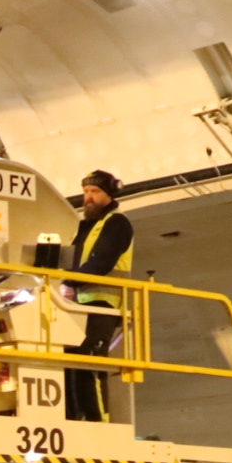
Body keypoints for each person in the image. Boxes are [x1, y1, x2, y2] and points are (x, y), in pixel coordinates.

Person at [58, 169, 136, 422]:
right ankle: (75, 417)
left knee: (90, 361)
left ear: (109, 195)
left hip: (103, 303)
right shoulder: (87, 227)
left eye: (95, 192)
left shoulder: (117, 223)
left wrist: (68, 280)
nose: (88, 197)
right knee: (72, 360)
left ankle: (99, 420)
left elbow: (102, 262)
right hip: (78, 303)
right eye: (85, 192)